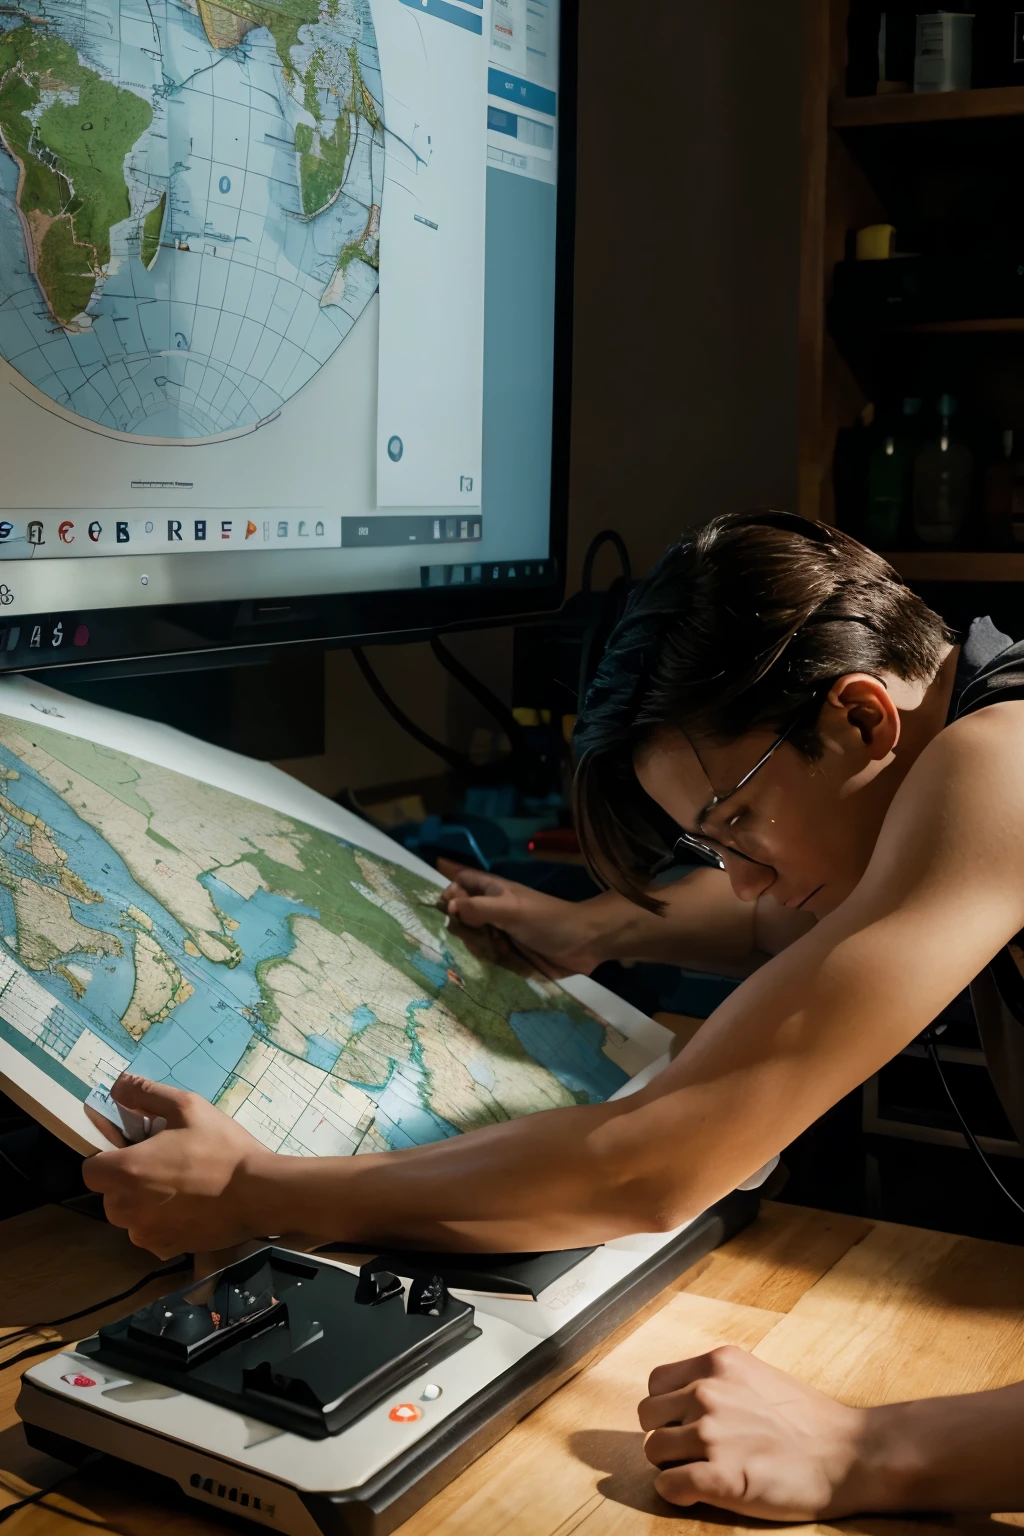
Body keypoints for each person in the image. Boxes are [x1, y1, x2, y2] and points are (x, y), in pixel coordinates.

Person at [85, 510, 1024, 1518]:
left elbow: (654, 1164)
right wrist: (597, 928)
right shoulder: (970, 717)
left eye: (737, 820)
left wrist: (871, 1449)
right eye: (714, 849)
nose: (746, 884)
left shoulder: (998, 764)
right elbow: (791, 924)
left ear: (860, 718)